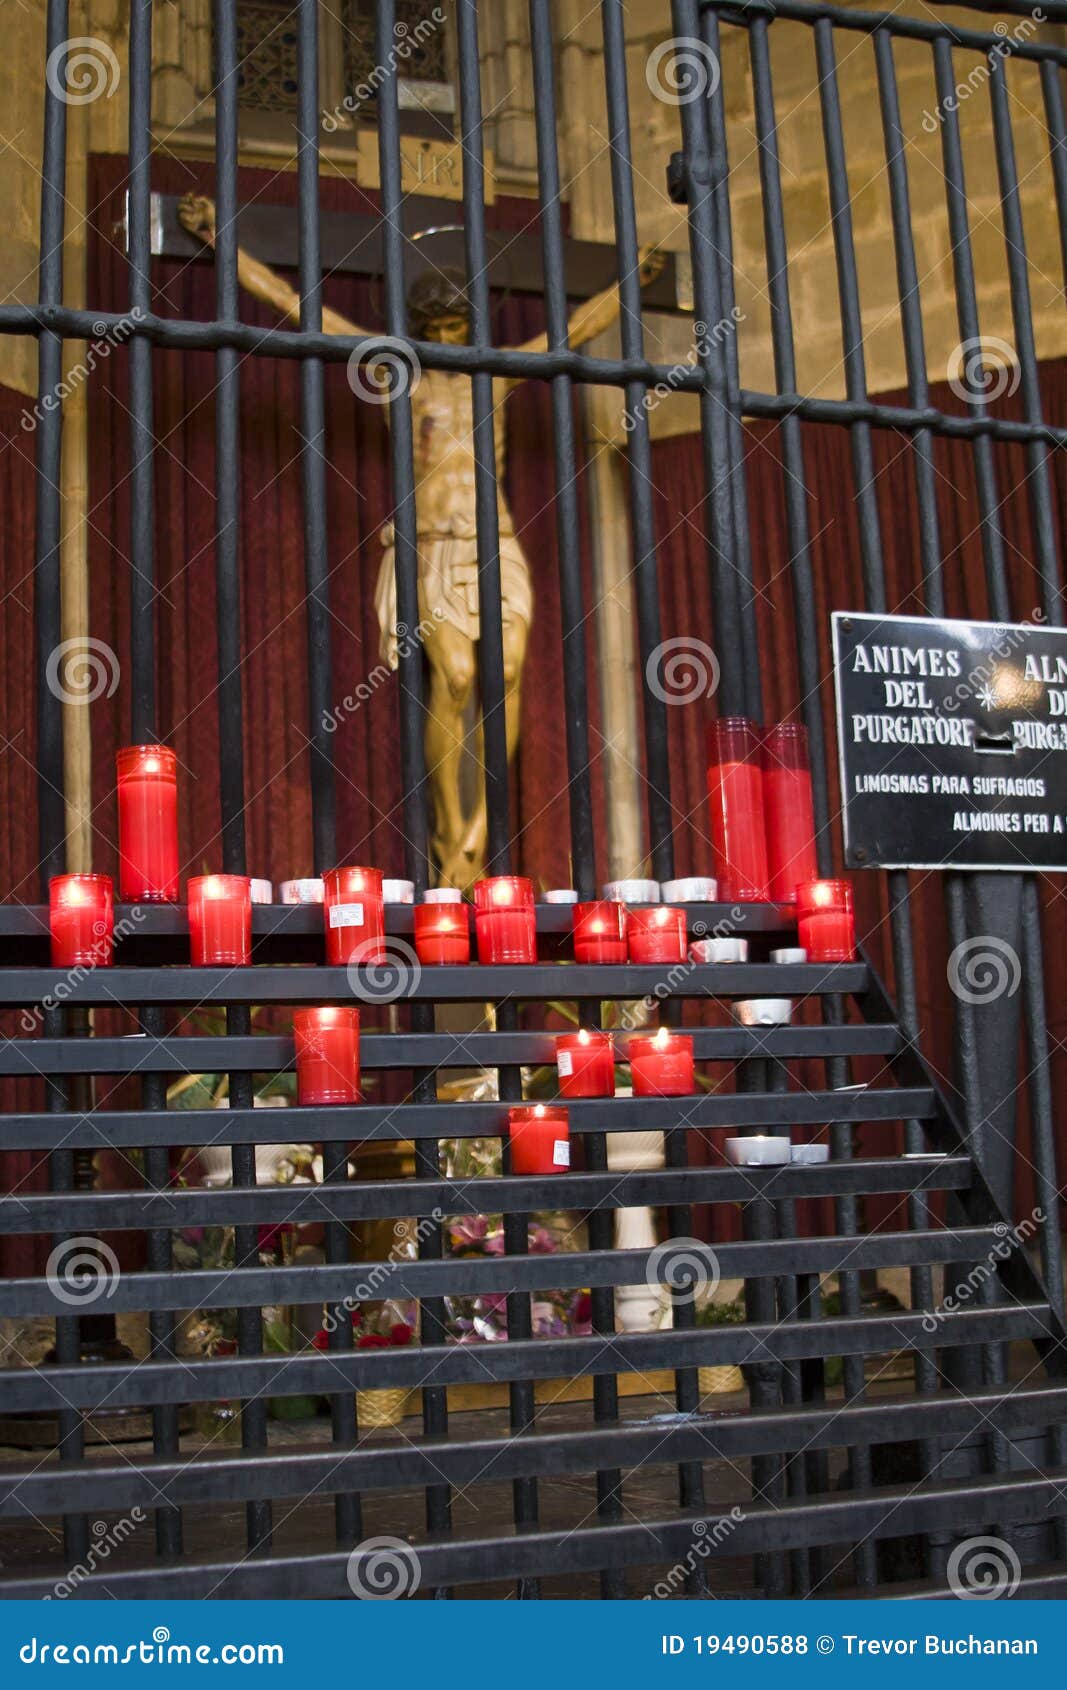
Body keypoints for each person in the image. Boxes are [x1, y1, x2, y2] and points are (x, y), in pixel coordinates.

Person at [179, 193, 662, 887]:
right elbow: (300, 309)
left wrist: (633, 282)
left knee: (508, 673)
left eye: (456, 324)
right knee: (458, 676)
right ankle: (445, 829)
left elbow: (575, 328)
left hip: (493, 544)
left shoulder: (495, 375)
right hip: (430, 544)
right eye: (434, 326)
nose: (445, 336)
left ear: (471, 325)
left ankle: (477, 831)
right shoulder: (398, 378)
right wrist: (220, 242)